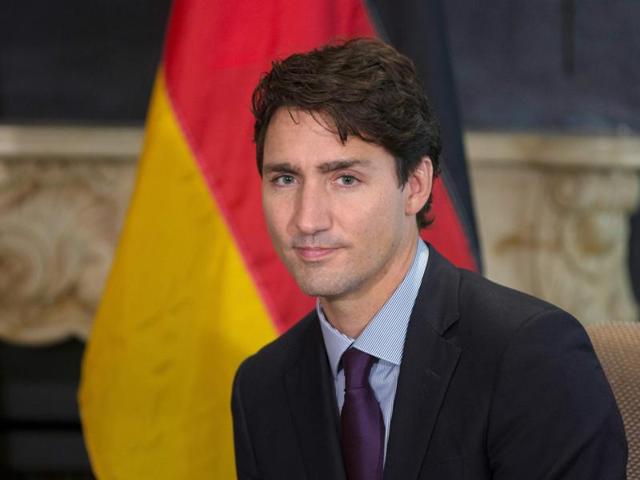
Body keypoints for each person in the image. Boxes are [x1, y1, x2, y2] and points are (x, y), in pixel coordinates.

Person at [231, 38, 627, 480]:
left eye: (345, 178)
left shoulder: (530, 355)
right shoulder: (261, 387)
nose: (306, 219)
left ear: (416, 185)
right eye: (285, 178)